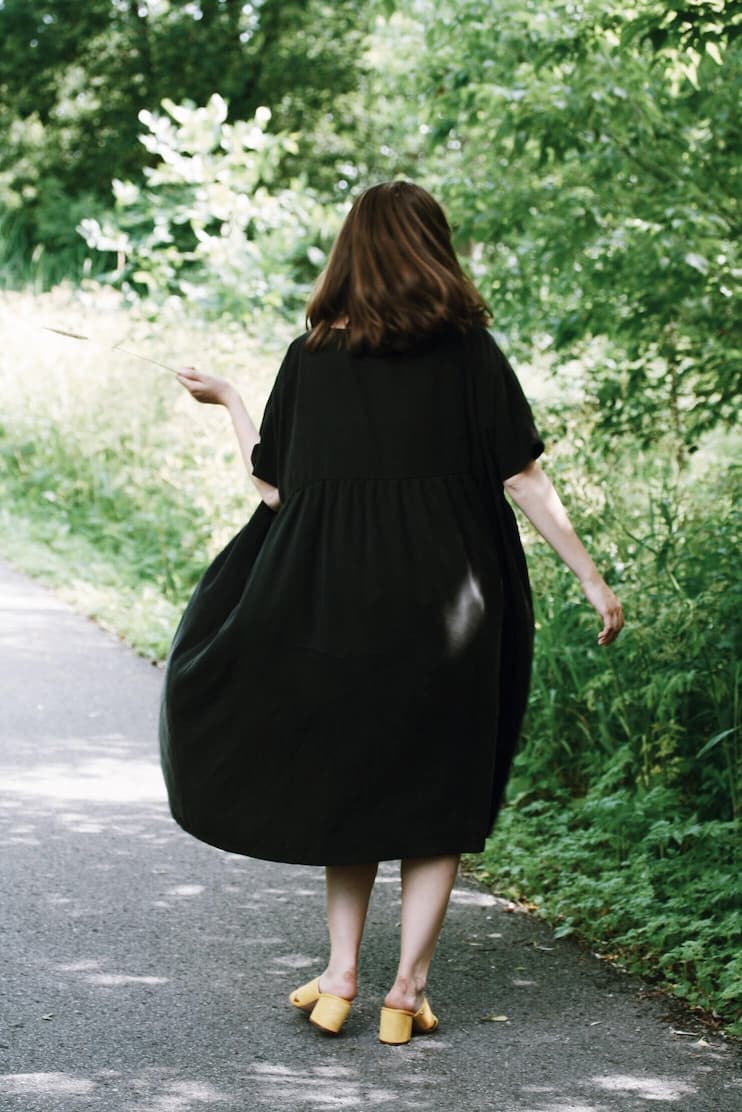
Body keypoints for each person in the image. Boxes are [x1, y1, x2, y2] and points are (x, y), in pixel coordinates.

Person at [159, 179, 624, 1045]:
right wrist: (592, 578)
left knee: (353, 779)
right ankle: (403, 992)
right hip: (457, 608)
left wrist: (227, 398)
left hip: (337, 604)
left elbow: (275, 491)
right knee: (436, 788)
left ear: (351, 253)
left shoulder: (313, 357)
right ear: (433, 249)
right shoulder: (472, 356)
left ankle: (341, 975)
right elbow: (524, 479)